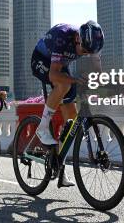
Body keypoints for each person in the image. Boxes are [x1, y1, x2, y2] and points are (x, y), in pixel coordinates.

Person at [30, 20, 104, 187]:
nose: (85, 54)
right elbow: (54, 75)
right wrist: (76, 79)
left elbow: (98, 73)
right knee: (64, 83)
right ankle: (42, 127)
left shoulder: (92, 44)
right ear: (78, 38)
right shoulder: (63, 36)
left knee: (71, 122)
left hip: (60, 64)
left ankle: (60, 168)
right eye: (84, 51)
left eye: (89, 53)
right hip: (42, 60)